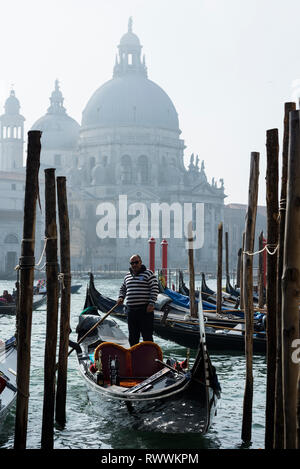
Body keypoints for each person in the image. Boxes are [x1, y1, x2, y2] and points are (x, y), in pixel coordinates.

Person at [117, 254, 159, 347]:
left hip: (145, 310)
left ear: (140, 262)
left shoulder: (148, 273)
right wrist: (121, 297)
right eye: (132, 263)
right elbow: (123, 288)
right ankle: (133, 358)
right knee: (133, 337)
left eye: (136, 262)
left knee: (147, 336)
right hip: (131, 311)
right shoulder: (127, 276)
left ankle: (148, 358)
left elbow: (155, 289)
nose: (134, 265)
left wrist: (151, 303)